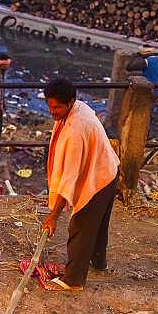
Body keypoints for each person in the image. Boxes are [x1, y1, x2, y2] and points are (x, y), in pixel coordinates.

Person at [41, 79, 120, 292]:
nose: (52, 112)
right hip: (107, 168)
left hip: (100, 175)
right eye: (50, 106)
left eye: (57, 107)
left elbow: (69, 178)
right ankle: (98, 262)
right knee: (98, 223)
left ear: (71, 102)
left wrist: (53, 216)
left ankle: (73, 280)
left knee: (82, 226)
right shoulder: (78, 108)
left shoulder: (76, 129)